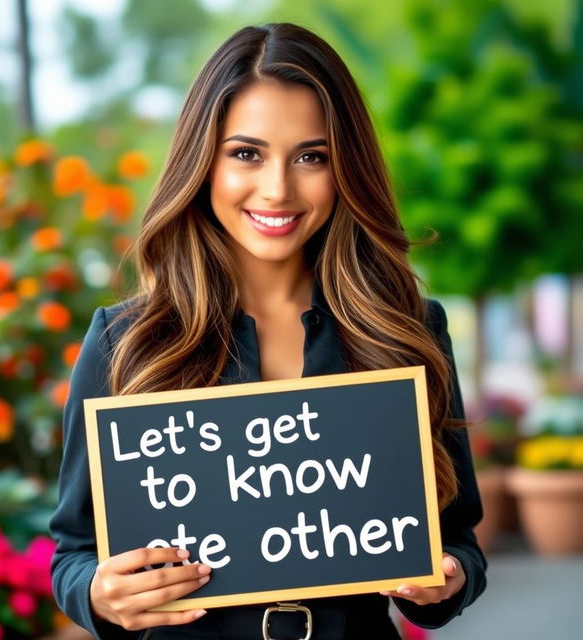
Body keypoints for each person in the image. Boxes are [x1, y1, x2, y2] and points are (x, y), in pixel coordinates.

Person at [50, 22, 486, 640]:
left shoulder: (408, 330)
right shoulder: (128, 341)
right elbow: (73, 553)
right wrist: (99, 594)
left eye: (312, 157)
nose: (278, 188)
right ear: (203, 163)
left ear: (346, 169)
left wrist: (446, 581)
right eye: (246, 153)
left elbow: (459, 542)